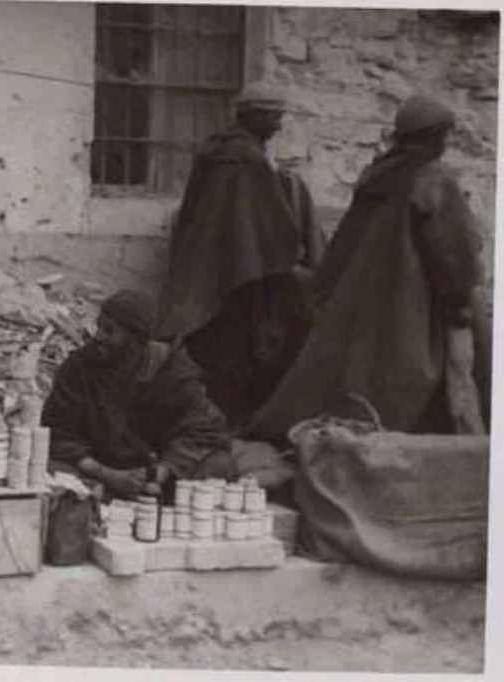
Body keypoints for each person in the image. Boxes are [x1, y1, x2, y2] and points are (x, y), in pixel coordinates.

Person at [244, 94, 487, 442]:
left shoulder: (376, 175)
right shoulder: (435, 179)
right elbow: (455, 251)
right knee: (454, 374)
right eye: (445, 135)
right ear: (435, 137)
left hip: (367, 300)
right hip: (416, 302)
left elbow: (344, 246)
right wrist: (461, 305)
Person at [156, 81, 326, 427]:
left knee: (211, 345)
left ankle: (206, 419)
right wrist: (294, 254)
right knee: (239, 348)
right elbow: (272, 224)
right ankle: (228, 423)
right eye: (275, 117)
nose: (278, 125)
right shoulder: (248, 159)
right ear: (256, 116)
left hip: (204, 265)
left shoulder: (212, 151)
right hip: (241, 274)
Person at [41, 290, 233, 502]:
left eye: (109, 331)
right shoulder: (79, 367)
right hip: (99, 467)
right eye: (99, 327)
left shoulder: (173, 374)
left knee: (218, 464)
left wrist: (159, 474)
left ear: (136, 340)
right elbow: (59, 433)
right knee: (49, 467)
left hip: (157, 475)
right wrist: (109, 475)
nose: (98, 337)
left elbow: (202, 431)